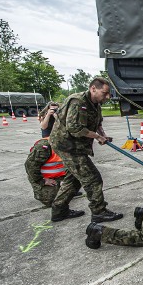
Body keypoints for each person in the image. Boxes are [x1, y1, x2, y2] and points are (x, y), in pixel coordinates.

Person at [49, 77, 123, 223]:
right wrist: (96, 137)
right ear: (93, 88)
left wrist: (103, 135)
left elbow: (98, 123)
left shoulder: (96, 104)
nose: (107, 97)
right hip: (67, 145)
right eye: (105, 93)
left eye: (109, 94)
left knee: (74, 179)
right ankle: (99, 212)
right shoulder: (78, 102)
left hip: (76, 146)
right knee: (92, 179)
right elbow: (74, 128)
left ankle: (59, 210)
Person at [24, 138, 66, 207]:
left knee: (69, 192)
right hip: (45, 178)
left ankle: (66, 188)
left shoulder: (73, 142)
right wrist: (42, 181)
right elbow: (30, 166)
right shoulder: (44, 146)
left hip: (61, 176)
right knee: (51, 200)